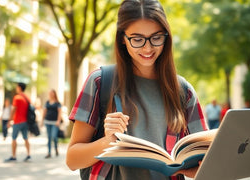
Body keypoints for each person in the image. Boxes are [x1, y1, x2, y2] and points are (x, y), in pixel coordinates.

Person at [66, 0, 208, 179]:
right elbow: (72, 160)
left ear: (166, 37)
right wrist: (108, 141)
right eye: (137, 39)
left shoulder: (183, 92)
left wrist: (193, 168)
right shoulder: (100, 81)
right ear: (123, 39)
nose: (148, 48)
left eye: (156, 37)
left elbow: (206, 160)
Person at [5, 83, 31, 162]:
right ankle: (28, 154)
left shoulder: (17, 97)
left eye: (17, 87)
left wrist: (9, 120)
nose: (16, 88)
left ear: (19, 87)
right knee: (26, 138)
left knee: (14, 138)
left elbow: (13, 109)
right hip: (25, 121)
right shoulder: (27, 98)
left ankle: (14, 156)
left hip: (17, 121)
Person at [42, 89, 62, 158]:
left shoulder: (57, 103)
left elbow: (60, 112)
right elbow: (44, 111)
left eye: (52, 93)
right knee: (49, 137)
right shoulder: (47, 102)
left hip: (55, 122)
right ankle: (49, 152)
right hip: (47, 121)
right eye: (50, 93)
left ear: (54, 94)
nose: (50, 94)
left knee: (54, 137)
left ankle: (56, 148)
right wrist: (42, 120)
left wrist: (58, 121)